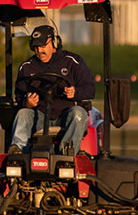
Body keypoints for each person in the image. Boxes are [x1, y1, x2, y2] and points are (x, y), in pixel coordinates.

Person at [8, 24, 95, 155]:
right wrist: (27, 103)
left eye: (43, 46)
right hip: (40, 117)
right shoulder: (27, 68)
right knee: (23, 113)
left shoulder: (72, 62)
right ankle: (18, 151)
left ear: (54, 43)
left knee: (79, 113)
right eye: (36, 47)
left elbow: (90, 89)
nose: (39, 50)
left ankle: (66, 153)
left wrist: (75, 93)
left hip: (66, 116)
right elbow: (19, 95)